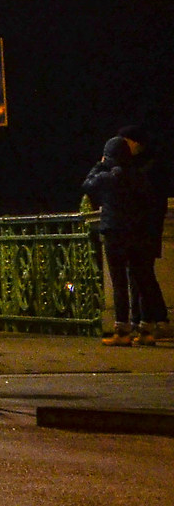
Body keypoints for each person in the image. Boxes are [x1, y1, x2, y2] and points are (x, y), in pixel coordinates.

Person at [86, 127, 168, 347]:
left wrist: (100, 164)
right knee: (142, 280)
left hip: (114, 232)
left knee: (120, 282)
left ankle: (122, 330)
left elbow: (88, 185)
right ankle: (146, 330)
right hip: (138, 233)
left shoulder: (108, 176)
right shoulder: (140, 176)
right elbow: (149, 202)